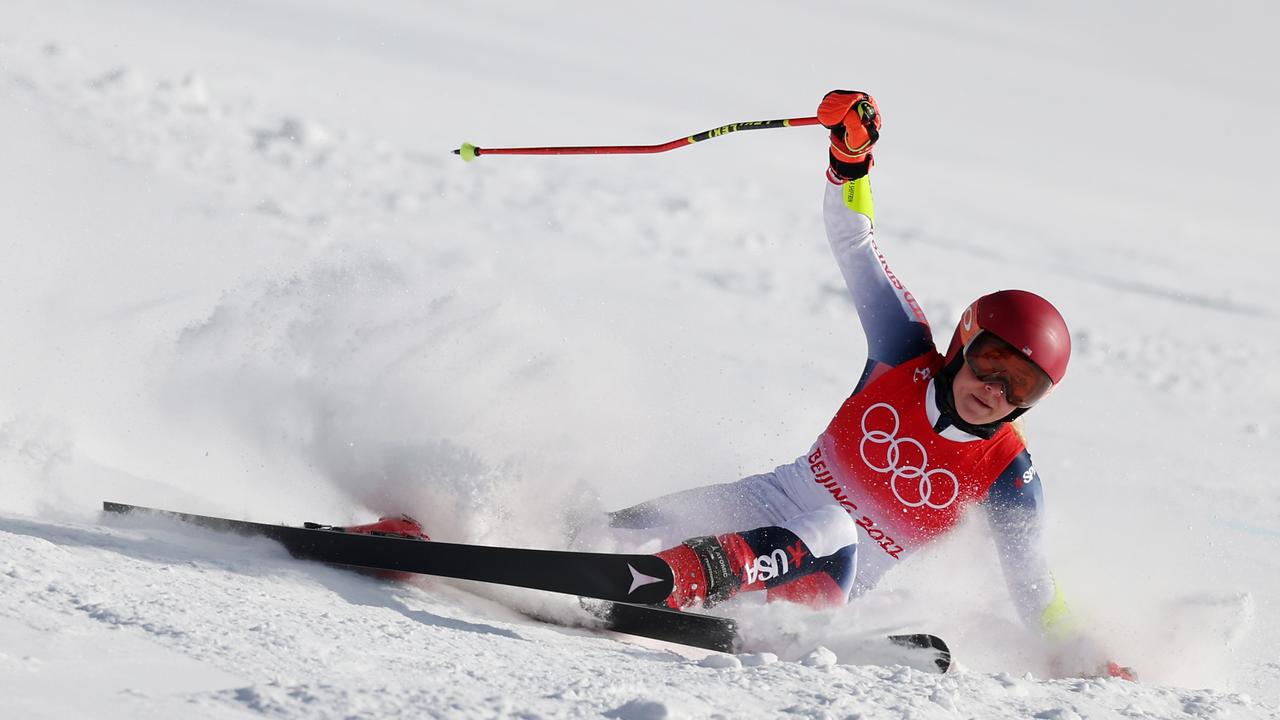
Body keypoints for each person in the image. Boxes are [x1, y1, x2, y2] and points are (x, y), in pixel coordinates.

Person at [599, 90, 1132, 679]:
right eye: (991, 365)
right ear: (963, 342)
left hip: (815, 589)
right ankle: (610, 561)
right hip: (763, 505)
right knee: (609, 532)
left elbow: (1036, 592)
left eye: (1021, 389)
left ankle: (670, 581)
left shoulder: (1008, 475)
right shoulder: (903, 354)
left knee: (833, 528)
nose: (995, 392)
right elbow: (856, 243)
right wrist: (851, 159)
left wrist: (1086, 656)